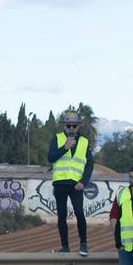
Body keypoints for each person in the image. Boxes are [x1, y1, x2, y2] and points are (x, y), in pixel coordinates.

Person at [46, 110, 93, 256]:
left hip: (76, 184)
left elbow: (90, 164)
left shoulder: (84, 142)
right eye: (69, 126)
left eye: (74, 126)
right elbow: (51, 157)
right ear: (64, 126)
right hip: (60, 183)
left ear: (78, 126)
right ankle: (65, 246)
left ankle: (83, 244)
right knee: (62, 215)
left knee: (79, 213)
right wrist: (64, 147)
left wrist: (83, 182)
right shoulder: (58, 138)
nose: (71, 128)